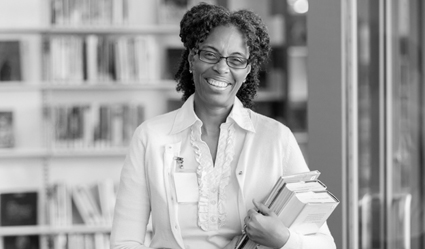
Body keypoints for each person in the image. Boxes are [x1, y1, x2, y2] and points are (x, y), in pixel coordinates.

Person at [110, 3, 336, 249]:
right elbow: (124, 242)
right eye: (210, 54)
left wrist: (282, 239)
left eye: (236, 60)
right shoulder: (150, 137)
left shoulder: (276, 139)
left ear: (247, 70)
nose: (221, 67)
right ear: (191, 60)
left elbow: (324, 244)